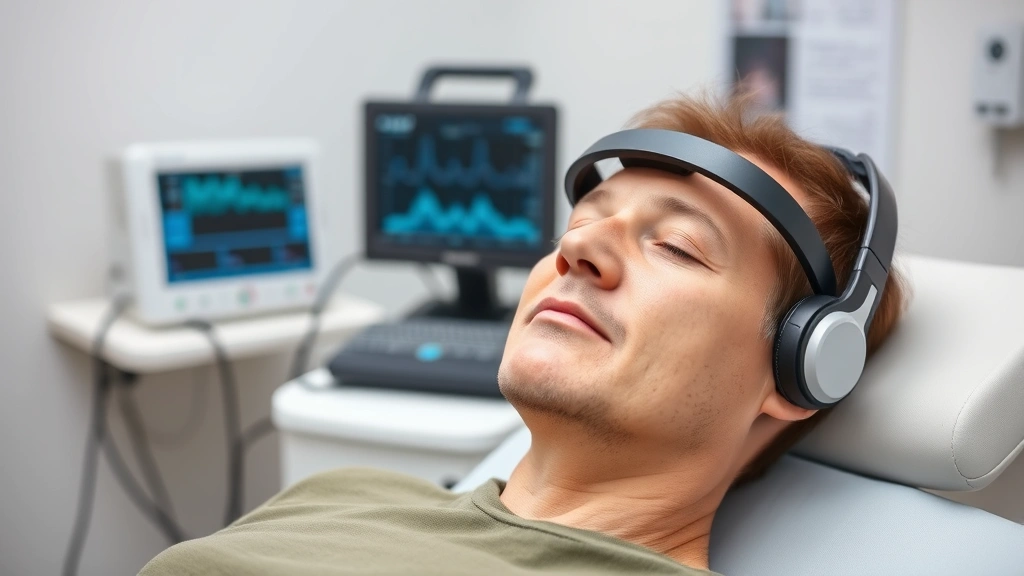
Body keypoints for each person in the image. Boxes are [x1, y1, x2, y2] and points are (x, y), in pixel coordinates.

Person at [139, 94, 907, 576]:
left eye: (675, 246)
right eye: (582, 224)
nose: (578, 250)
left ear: (803, 361)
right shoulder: (345, 491)